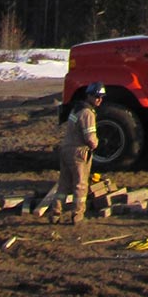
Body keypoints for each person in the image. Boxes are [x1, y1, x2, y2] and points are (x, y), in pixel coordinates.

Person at [52, 83, 103, 223]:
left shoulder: (76, 109)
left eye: (101, 97)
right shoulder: (88, 113)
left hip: (66, 150)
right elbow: (90, 139)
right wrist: (96, 144)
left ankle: (55, 213)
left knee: (63, 184)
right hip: (79, 152)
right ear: (89, 96)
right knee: (80, 185)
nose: (99, 100)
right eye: (97, 96)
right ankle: (77, 215)